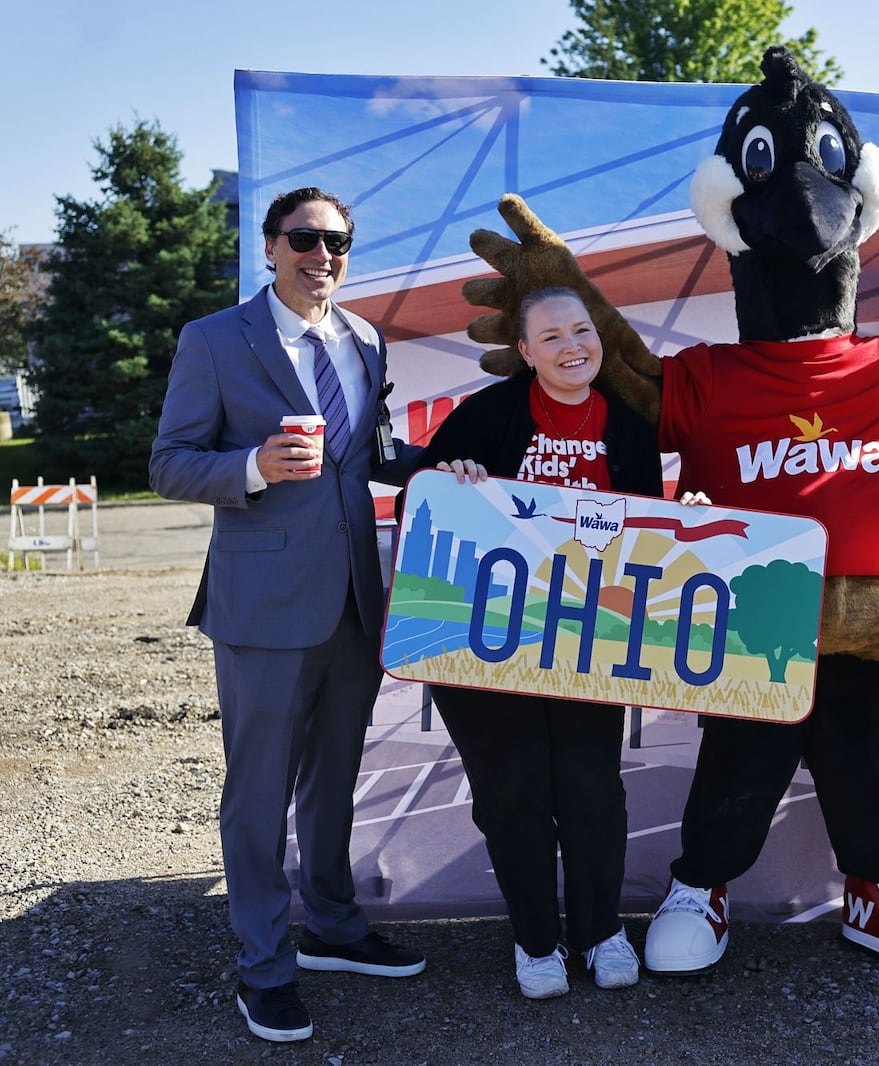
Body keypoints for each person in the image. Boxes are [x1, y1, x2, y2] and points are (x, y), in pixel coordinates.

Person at [149, 187, 485, 1044]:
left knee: (334, 779)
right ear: (270, 246)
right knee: (257, 794)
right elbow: (170, 464)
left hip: (353, 599)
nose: (322, 254)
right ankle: (264, 966)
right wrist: (254, 466)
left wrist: (442, 469)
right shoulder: (215, 340)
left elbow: (367, 450)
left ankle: (333, 927)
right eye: (304, 238)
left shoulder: (363, 338)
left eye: (338, 242)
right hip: (262, 605)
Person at [414, 286, 682, 1000]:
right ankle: (537, 941)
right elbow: (425, 500)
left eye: (582, 331)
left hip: (586, 643)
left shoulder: (626, 427)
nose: (573, 347)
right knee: (513, 792)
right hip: (488, 643)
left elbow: (643, 536)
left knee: (592, 792)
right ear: (525, 352)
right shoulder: (486, 415)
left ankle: (600, 933)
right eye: (553, 337)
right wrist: (452, 476)